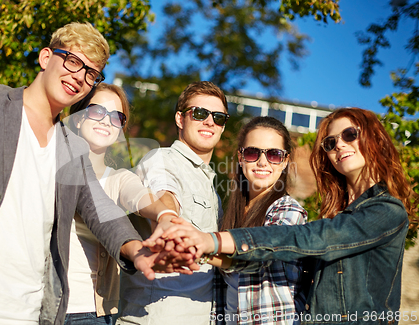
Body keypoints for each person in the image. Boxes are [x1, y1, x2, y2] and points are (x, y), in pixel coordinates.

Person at [0, 22, 182, 325]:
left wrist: (138, 250)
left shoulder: (72, 149)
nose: (79, 77)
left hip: (23, 314)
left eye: (91, 73)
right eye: (72, 61)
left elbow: (103, 212)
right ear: (46, 58)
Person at [155, 107, 414, 324]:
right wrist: (199, 250)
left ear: (374, 138)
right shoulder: (337, 214)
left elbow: (310, 238)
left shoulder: (387, 211)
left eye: (350, 135)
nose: (340, 145)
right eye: (331, 142)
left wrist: (211, 241)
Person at [116, 81, 230, 325]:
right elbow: (165, 193)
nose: (210, 122)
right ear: (180, 119)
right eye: (200, 113)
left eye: (218, 117)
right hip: (158, 316)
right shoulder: (163, 158)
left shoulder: (211, 185)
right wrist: (167, 216)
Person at [64, 83, 180, 324]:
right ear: (78, 118)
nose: (106, 121)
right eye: (97, 111)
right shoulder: (52, 167)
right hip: (38, 303)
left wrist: (165, 215)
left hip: (89, 313)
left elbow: (142, 198)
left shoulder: (119, 178)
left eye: (116, 117)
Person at [204, 116, 307, 324]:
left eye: (274, 155)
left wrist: (201, 248)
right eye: (252, 152)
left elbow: (259, 255)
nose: (262, 162)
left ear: (285, 161)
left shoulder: (289, 210)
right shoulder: (230, 213)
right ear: (241, 158)